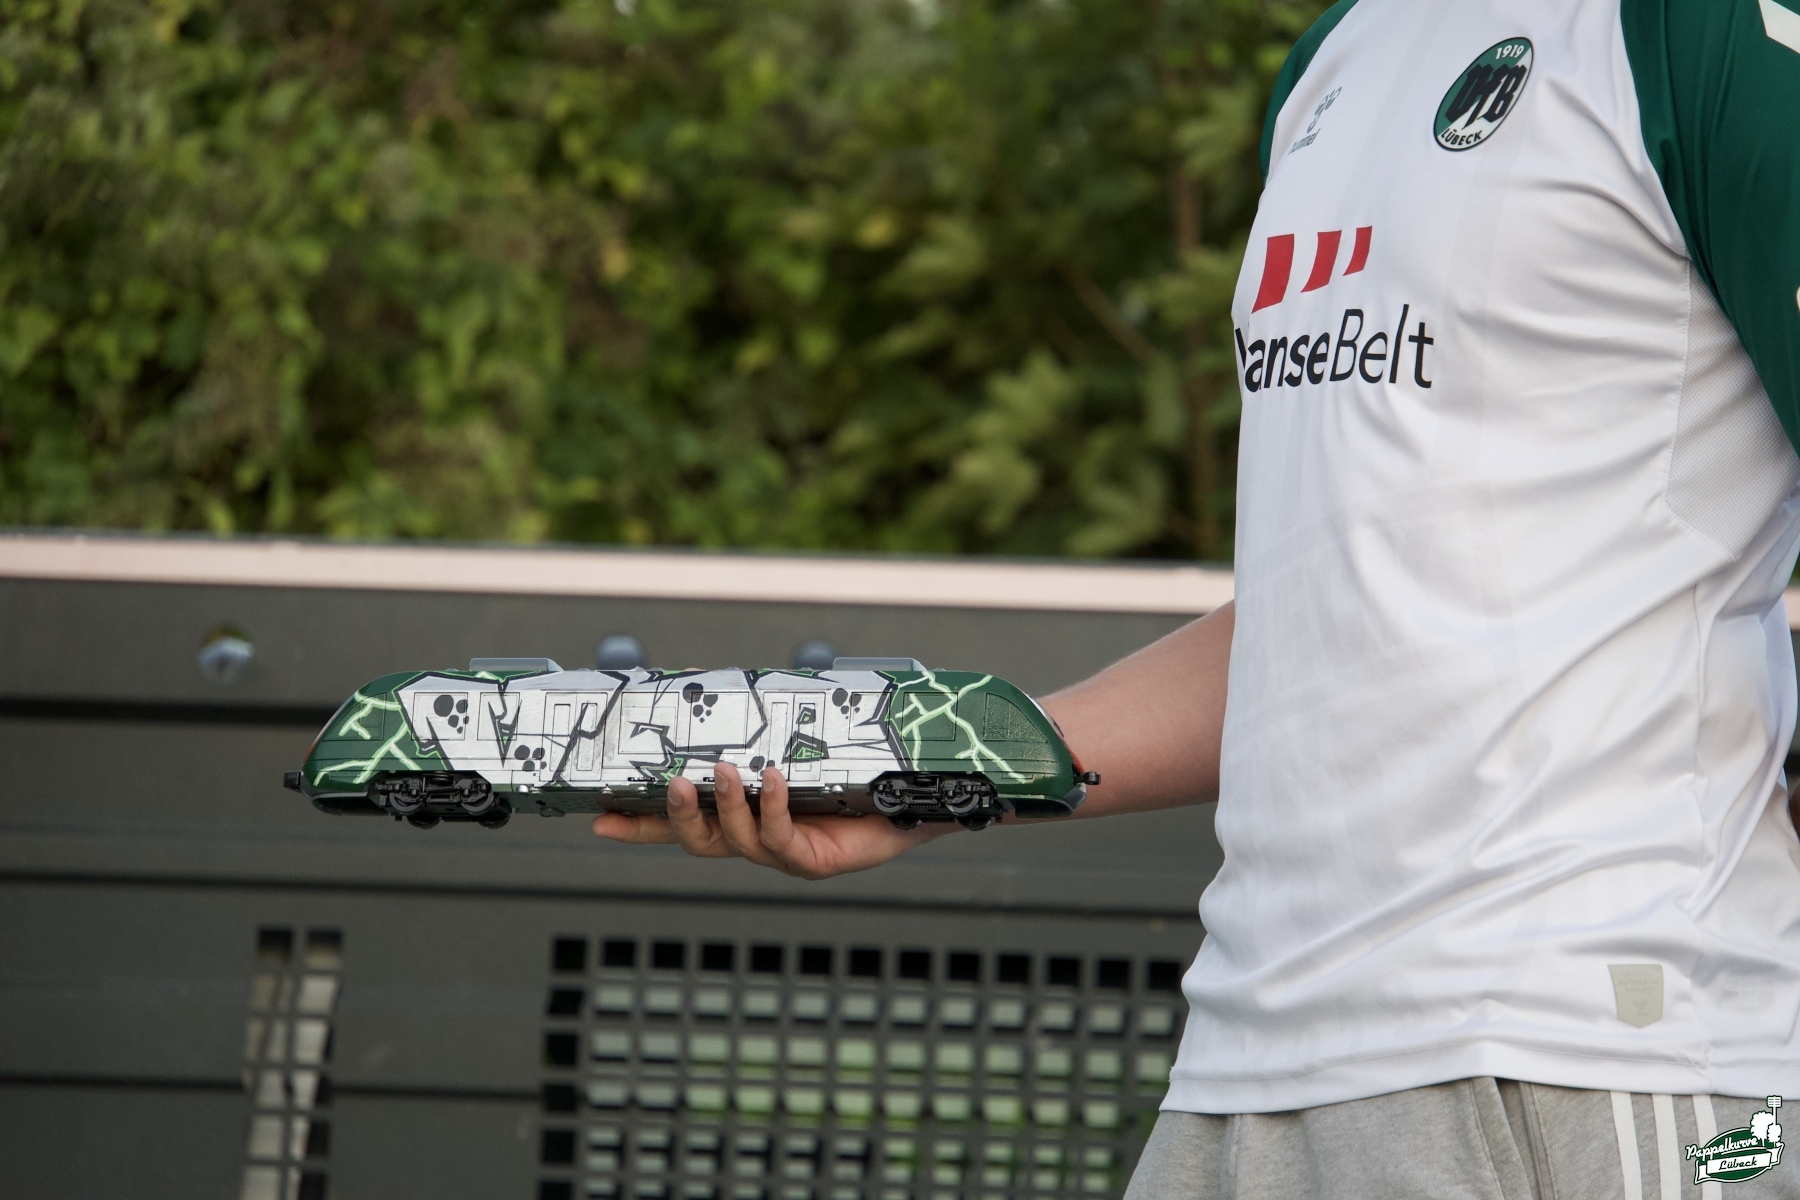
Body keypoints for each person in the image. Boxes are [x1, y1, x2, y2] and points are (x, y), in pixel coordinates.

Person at [596, 0, 1800, 1193]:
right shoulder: (1335, 57)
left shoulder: (1705, 33)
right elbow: (1326, 623)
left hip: (1595, 1048)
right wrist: (948, 770)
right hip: (1251, 1058)